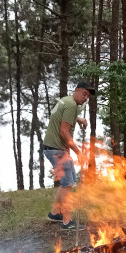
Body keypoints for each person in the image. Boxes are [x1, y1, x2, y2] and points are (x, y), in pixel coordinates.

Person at [43, 81, 95, 230]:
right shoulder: (72, 105)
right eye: (84, 93)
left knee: (68, 181)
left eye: (88, 96)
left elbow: (61, 117)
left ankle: (55, 213)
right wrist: (78, 152)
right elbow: (64, 132)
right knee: (67, 183)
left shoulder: (67, 101)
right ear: (77, 90)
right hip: (57, 150)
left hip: (52, 148)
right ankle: (67, 222)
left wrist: (78, 119)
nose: (86, 98)